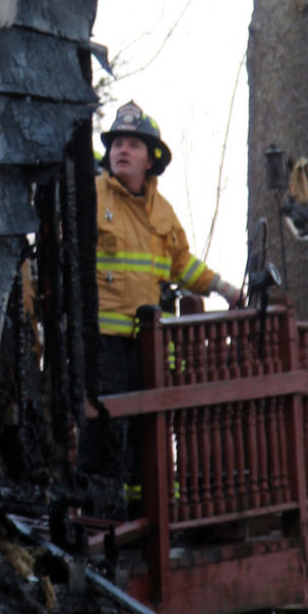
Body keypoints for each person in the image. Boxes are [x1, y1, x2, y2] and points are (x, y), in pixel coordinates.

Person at [94, 100, 242, 399]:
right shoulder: (91, 197)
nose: (123, 150)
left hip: (147, 341)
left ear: (150, 160)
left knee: (144, 431)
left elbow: (182, 263)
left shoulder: (162, 212)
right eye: (118, 144)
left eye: (134, 145)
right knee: (104, 431)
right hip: (101, 344)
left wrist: (223, 288)